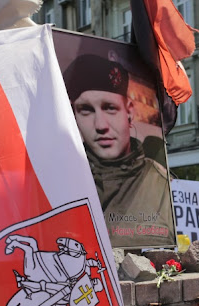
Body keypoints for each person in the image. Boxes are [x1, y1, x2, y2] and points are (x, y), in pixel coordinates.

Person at [62, 54, 173, 248]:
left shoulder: (160, 183)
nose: (101, 125)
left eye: (110, 108)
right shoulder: (63, 183)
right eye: (86, 110)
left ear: (129, 112)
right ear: (74, 117)